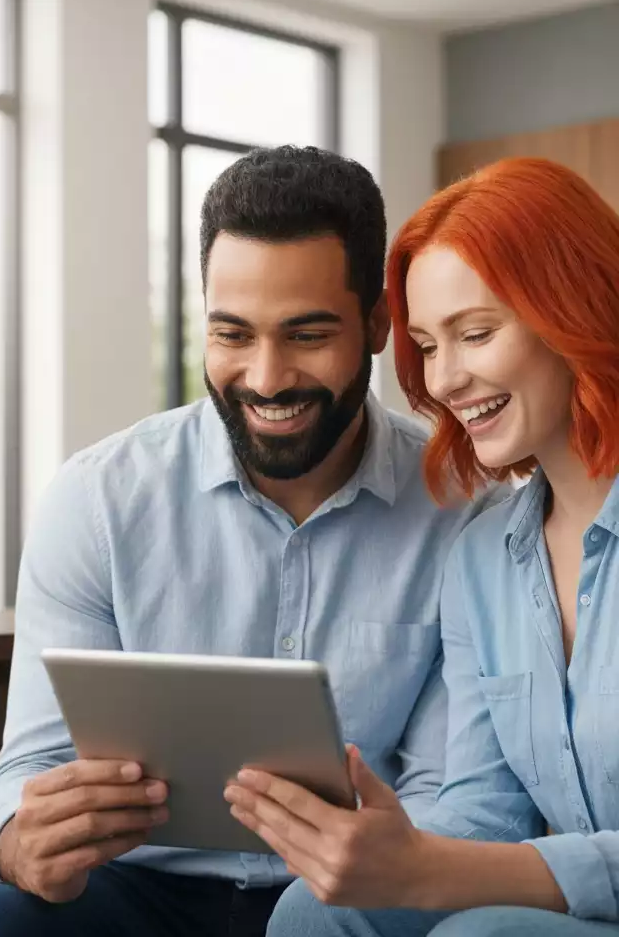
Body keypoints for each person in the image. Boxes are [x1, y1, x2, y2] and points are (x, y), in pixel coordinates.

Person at [0, 146, 506, 937]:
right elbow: (31, 767)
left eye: (305, 335)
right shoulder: (98, 500)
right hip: (136, 891)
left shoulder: (464, 510)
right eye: (233, 334)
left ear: (374, 325)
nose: (265, 377)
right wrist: (25, 842)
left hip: (352, 899)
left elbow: (445, 794)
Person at [248, 156, 619, 937]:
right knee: (315, 914)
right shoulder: (483, 555)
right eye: (426, 344)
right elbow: (487, 806)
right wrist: (391, 851)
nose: (445, 379)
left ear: (576, 307)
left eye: (475, 334)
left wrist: (435, 872)